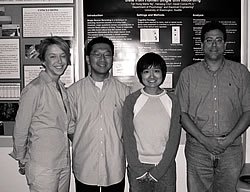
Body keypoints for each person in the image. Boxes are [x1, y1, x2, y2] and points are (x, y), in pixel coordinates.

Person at [176, 21, 250, 192]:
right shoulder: (188, 74)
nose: (214, 45)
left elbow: (248, 111)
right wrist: (205, 141)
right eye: (209, 40)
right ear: (202, 45)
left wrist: (228, 139)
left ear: (225, 44)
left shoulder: (240, 72)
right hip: (198, 150)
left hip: (231, 149)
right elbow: (182, 114)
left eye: (218, 40)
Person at [67, 36, 130, 192]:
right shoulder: (74, 92)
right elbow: (69, 126)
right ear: (88, 59)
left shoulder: (124, 92)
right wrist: (85, 140)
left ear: (112, 58)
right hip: (85, 166)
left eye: (107, 54)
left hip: (114, 166)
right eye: (97, 54)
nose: (102, 59)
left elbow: (129, 128)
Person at [10, 36, 72, 192]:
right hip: (42, 166)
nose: (59, 61)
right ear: (43, 61)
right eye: (53, 56)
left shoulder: (62, 89)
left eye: (63, 55)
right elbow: (20, 129)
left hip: (63, 162)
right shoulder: (34, 89)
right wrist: (22, 159)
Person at [122, 52, 181, 192]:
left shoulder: (172, 100)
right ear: (140, 75)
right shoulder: (132, 100)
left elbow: (174, 138)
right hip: (138, 168)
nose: (152, 76)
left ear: (163, 73)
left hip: (165, 167)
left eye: (156, 71)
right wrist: (137, 168)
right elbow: (128, 137)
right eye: (146, 71)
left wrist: (159, 170)